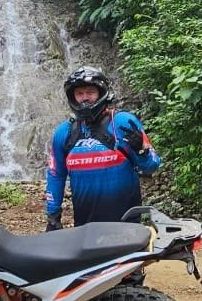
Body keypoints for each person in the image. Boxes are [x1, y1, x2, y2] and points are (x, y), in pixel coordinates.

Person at [45, 67, 161, 229]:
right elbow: (56, 175)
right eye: (79, 94)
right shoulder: (64, 132)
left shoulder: (123, 123)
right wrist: (53, 216)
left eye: (90, 92)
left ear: (101, 93)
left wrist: (142, 151)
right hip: (85, 226)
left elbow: (151, 166)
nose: (85, 99)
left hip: (127, 224)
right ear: (73, 97)